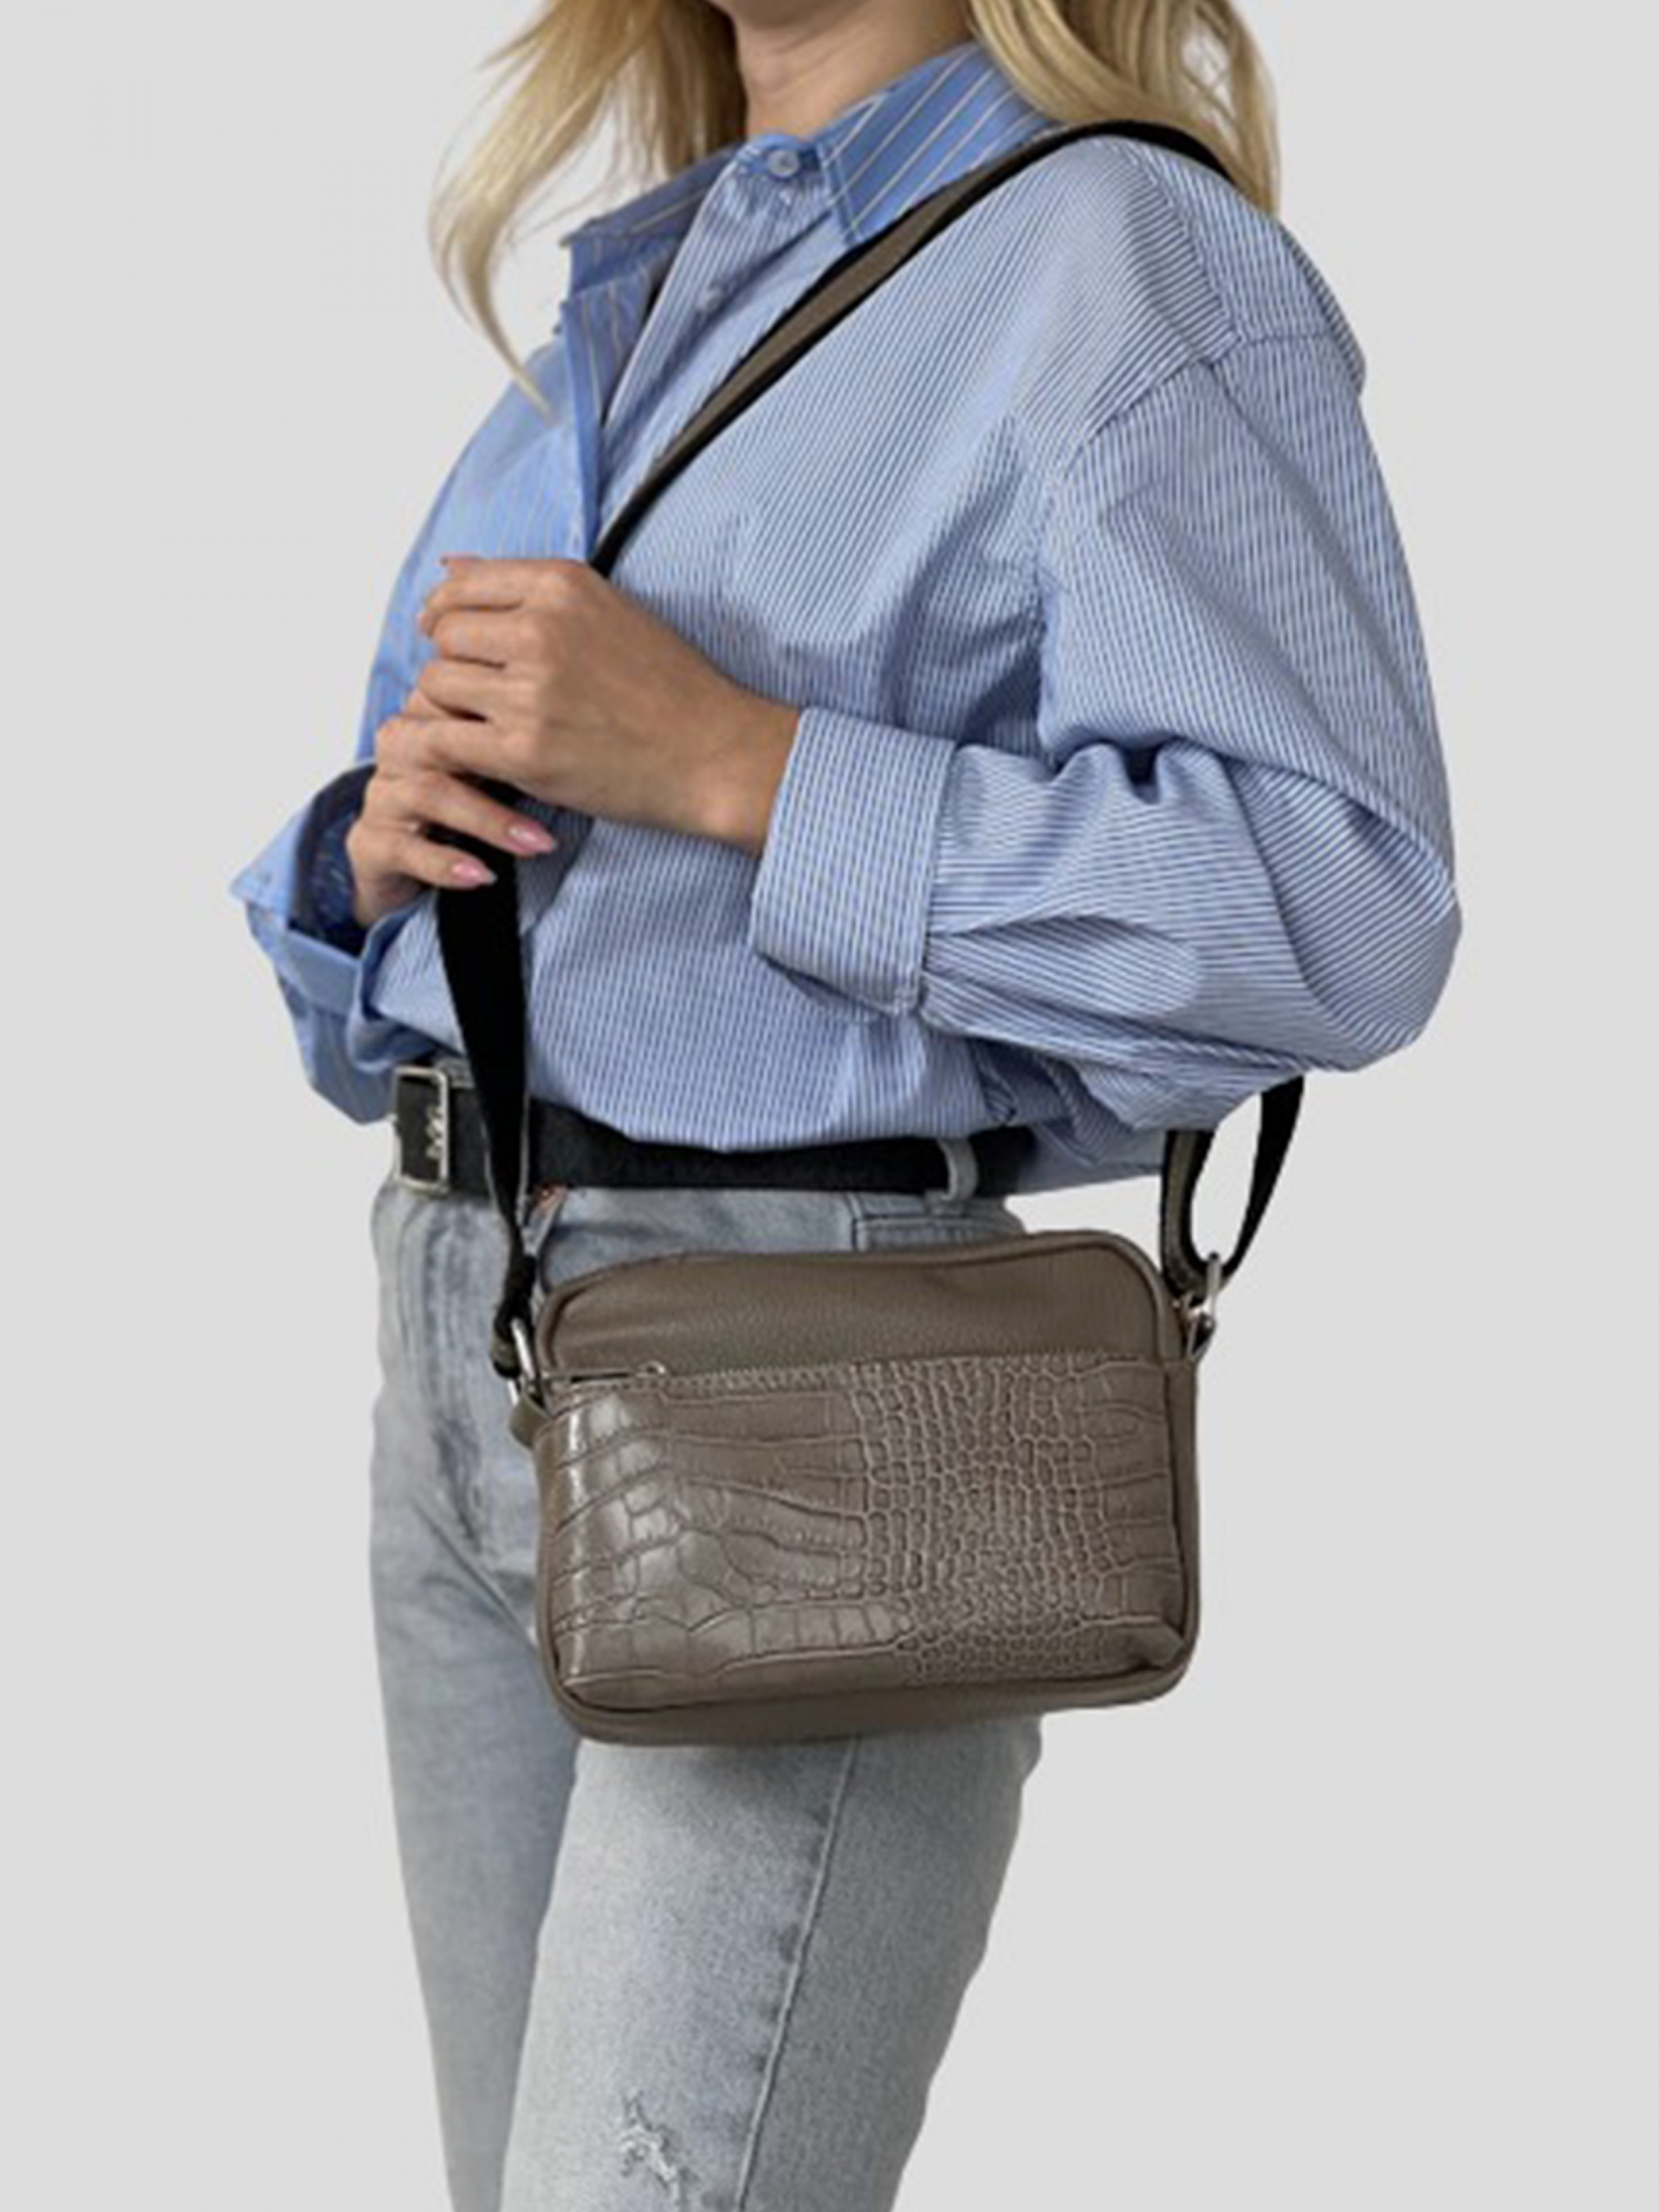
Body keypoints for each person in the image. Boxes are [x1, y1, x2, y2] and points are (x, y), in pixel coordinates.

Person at [227, 3, 1462, 2207]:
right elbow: (467, 945)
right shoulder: (652, 282)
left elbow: (1340, 907)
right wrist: (366, 860)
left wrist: (738, 763)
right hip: (466, 1338)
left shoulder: (1118, 255)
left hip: (804, 1386)